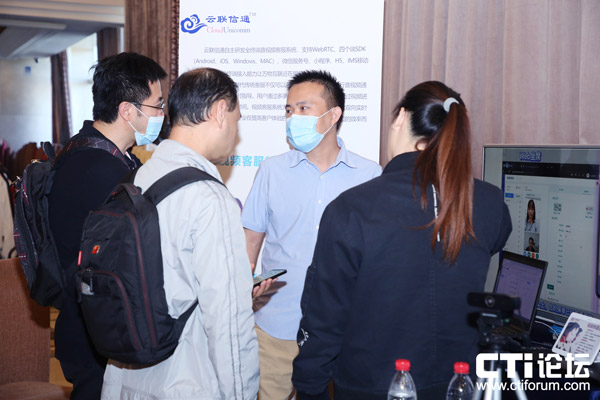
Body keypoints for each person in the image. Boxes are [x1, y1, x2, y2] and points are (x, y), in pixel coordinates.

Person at [292, 81, 512, 399]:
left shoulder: (352, 209)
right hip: (461, 386)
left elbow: (323, 320)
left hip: (371, 387)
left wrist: (309, 389)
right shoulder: (490, 203)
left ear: (400, 119)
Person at [101, 68, 259, 399]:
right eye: (236, 120)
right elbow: (228, 322)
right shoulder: (210, 197)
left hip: (123, 379)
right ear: (220, 111)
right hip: (185, 381)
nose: (235, 134)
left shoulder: (137, 178)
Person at [242, 70, 382, 399]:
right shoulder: (272, 171)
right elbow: (248, 247)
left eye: (303, 109)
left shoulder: (370, 175)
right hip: (276, 327)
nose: (293, 118)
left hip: (343, 333)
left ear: (333, 115)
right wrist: (247, 291)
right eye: (289, 110)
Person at [48, 52, 166, 399]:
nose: (162, 114)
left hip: (94, 323)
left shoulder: (96, 153)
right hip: (97, 332)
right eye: (158, 105)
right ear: (128, 110)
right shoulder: (98, 170)